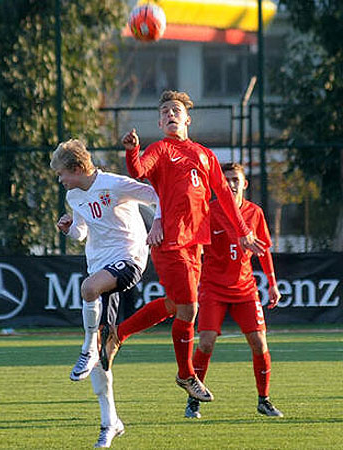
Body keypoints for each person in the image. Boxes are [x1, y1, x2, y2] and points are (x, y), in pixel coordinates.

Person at [102, 90, 267, 404]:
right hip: (170, 242)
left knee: (175, 306)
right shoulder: (161, 149)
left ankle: (118, 334)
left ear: (187, 118)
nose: (169, 115)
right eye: (164, 112)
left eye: (174, 110)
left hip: (195, 244)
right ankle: (185, 374)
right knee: (189, 308)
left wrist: (243, 231)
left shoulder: (205, 155)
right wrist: (133, 150)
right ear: (161, 122)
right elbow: (138, 171)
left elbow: (224, 196)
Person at [50, 139, 159, 448]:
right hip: (99, 263)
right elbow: (82, 232)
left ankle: (85, 347)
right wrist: (69, 227)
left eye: (62, 174)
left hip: (129, 258)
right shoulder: (74, 195)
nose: (60, 181)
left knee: (87, 288)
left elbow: (155, 195)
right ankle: (110, 421)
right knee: (105, 352)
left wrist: (157, 225)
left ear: (76, 168)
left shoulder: (114, 184)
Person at [184, 162, 283, 419]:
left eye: (235, 179)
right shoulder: (209, 211)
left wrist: (272, 283)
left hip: (245, 288)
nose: (231, 184)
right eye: (226, 179)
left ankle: (264, 399)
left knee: (259, 342)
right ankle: (193, 400)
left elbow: (264, 249)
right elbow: (195, 245)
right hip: (213, 288)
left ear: (244, 183)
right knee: (205, 342)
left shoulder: (255, 213)